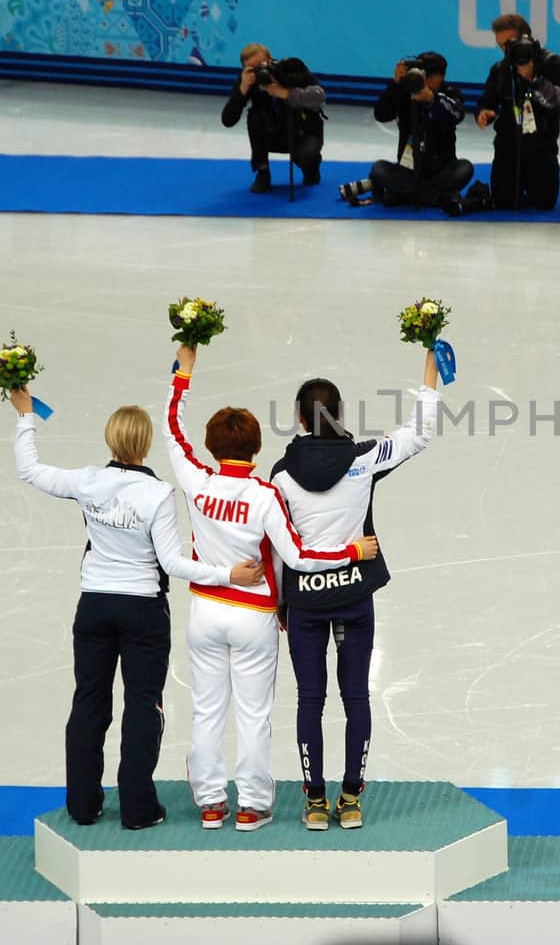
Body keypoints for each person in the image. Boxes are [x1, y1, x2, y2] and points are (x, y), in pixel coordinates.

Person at [9, 388, 256, 831]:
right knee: (143, 705)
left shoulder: (87, 481)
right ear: (144, 444)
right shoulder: (159, 494)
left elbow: (28, 469)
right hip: (142, 611)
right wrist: (226, 574)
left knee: (88, 702)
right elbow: (172, 563)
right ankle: (139, 809)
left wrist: (26, 416)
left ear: (110, 440)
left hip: (95, 607)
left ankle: (83, 805)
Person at [165, 345, 380, 832]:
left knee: (206, 710)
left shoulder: (196, 482)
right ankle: (253, 806)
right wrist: (351, 554)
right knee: (254, 714)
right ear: (257, 449)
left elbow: (172, 433)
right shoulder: (265, 495)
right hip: (254, 615)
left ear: (213, 446)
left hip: (205, 610)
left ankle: (212, 804)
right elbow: (298, 556)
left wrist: (184, 372)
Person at [271, 348, 444, 831]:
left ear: (300, 419)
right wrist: (430, 366)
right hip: (353, 595)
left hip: (305, 601)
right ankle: (351, 798)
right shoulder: (365, 458)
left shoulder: (281, 476)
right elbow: (420, 434)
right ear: (340, 415)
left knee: (310, 699)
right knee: (355, 699)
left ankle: (314, 802)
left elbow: (278, 543)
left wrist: (282, 602)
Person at [340, 52, 474, 212]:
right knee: (379, 168)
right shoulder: (404, 92)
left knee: (465, 168)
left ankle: (401, 195)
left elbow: (457, 114)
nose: (427, 81)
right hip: (407, 170)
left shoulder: (450, 93)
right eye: (425, 76)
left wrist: (432, 99)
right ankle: (436, 196)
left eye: (432, 77)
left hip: (442, 169)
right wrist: (395, 83)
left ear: (442, 76)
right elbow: (381, 115)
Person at [476, 14, 560, 211]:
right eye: (500, 45)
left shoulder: (551, 62)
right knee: (503, 202)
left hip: (541, 145)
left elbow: (558, 102)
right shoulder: (500, 68)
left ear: (524, 38)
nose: (504, 50)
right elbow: (487, 99)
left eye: (508, 44)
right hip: (508, 146)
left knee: (544, 203)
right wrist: (484, 112)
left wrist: (534, 79)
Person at [220, 42, 326, 194]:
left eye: (262, 65)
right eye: (253, 68)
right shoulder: (248, 80)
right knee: (255, 117)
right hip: (273, 132)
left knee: (306, 156)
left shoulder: (290, 69)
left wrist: (286, 93)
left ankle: (312, 166)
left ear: (271, 60)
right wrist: (242, 90)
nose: (260, 71)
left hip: (303, 132)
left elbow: (320, 97)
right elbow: (228, 120)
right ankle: (263, 172)